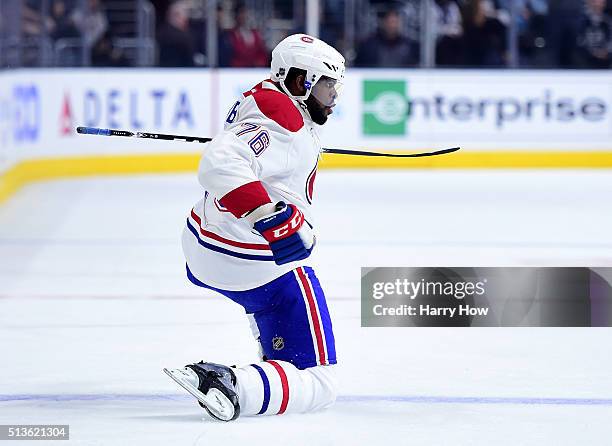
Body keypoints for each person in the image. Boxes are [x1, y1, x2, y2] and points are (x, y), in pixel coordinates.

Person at [165, 34, 345, 421]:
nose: (333, 100)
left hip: (203, 249)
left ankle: (272, 352)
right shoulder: (284, 121)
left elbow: (264, 145)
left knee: (283, 338)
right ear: (301, 82)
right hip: (253, 264)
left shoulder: (267, 96)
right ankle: (232, 385)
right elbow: (219, 164)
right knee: (319, 381)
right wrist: (273, 220)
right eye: (328, 89)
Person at [354, 8, 420, 67]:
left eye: (395, 22)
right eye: (389, 22)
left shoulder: (409, 46)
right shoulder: (368, 46)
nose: (392, 26)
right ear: (383, 23)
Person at [157, 0, 196, 67]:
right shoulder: (175, 36)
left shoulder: (184, 33)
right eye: (185, 13)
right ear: (175, 15)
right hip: (175, 71)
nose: (187, 18)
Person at [575, 0, 612, 68]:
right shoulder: (581, 21)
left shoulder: (607, 21)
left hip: (606, 62)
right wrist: (594, 52)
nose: (599, 4)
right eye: (595, 1)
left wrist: (606, 51)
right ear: (589, 2)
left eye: (602, 2)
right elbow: (579, 42)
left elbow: (610, 40)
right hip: (585, 63)